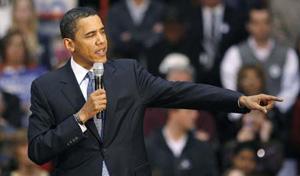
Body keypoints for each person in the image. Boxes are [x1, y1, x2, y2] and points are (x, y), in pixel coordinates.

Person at [27, 7, 282, 176]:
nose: (101, 41)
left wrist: (239, 100)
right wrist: (80, 118)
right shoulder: (46, 87)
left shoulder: (128, 73)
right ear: (69, 44)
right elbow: (38, 151)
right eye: (91, 35)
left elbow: (183, 93)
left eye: (103, 32)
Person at [220, 5, 299, 114]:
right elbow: (230, 89)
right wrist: (244, 115)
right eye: (256, 23)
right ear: (248, 26)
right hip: (242, 115)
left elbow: (291, 90)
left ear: (271, 25)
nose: (261, 27)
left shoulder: (288, 54)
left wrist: (271, 112)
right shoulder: (234, 53)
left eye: (265, 22)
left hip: (277, 118)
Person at [145, 108, 218, 176]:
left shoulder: (202, 148)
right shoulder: (149, 147)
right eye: (189, 111)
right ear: (173, 112)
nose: (195, 115)